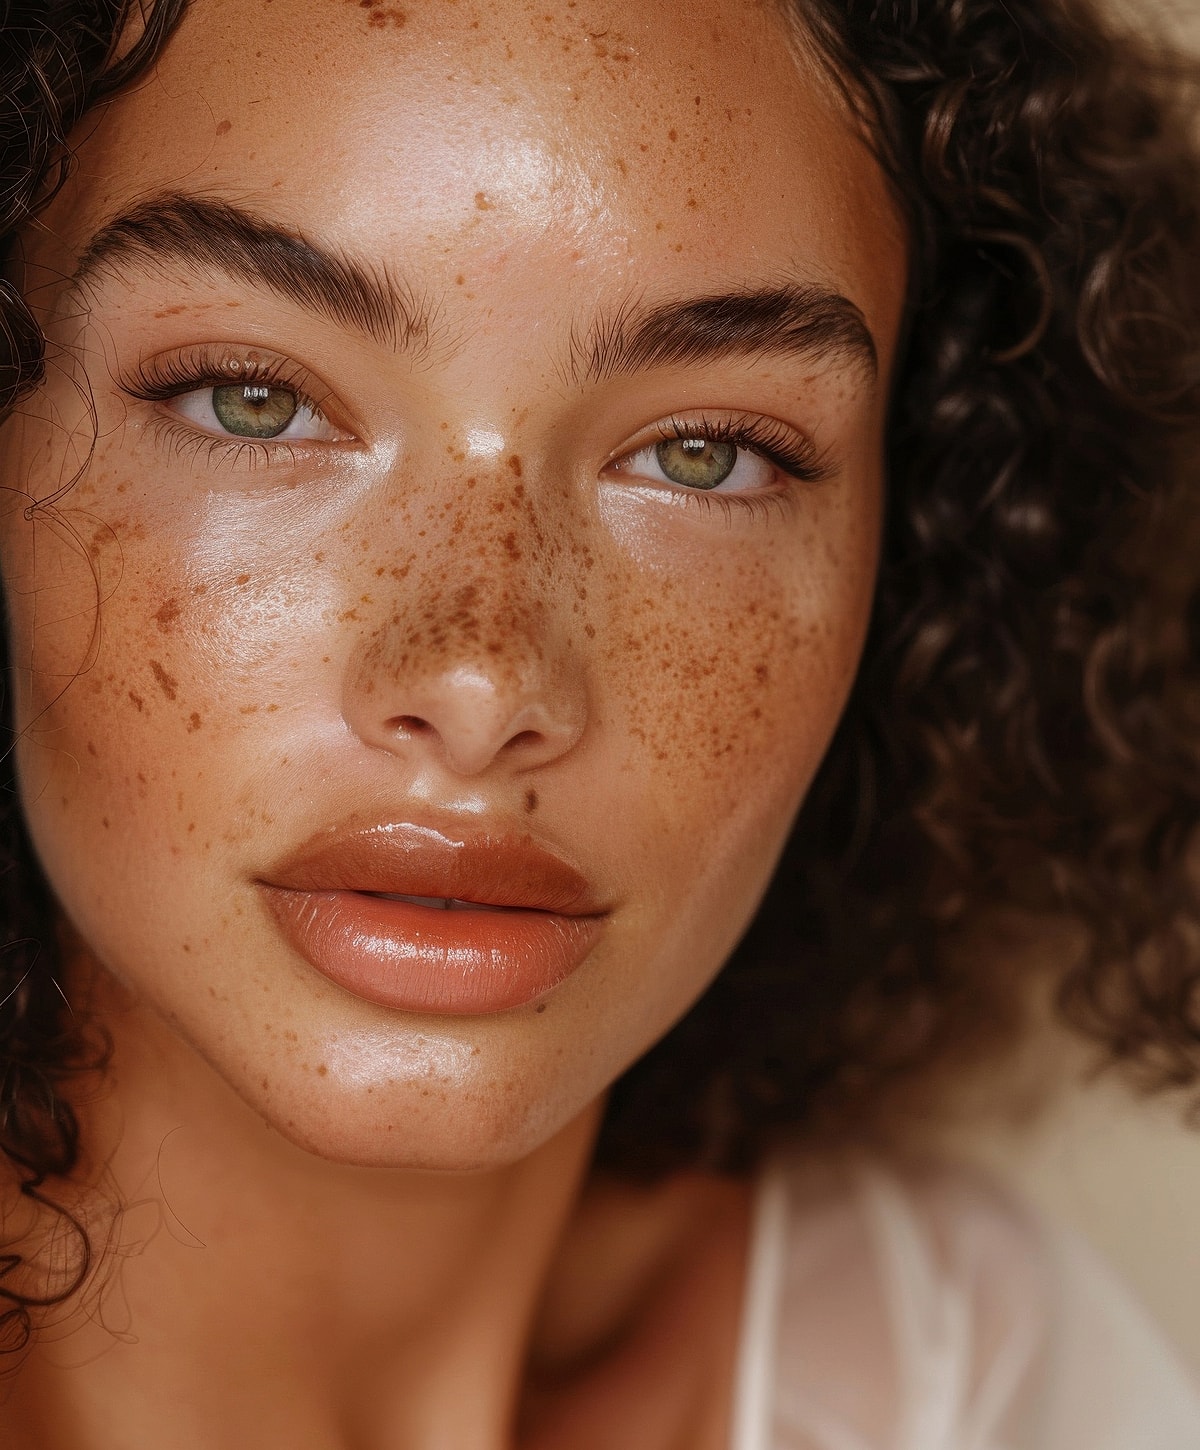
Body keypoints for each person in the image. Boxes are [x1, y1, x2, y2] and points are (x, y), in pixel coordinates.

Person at [0, 0, 1198, 1445]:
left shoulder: (953, 1372)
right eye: (250, 400)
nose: (486, 680)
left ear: (926, 531)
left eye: (705, 455)